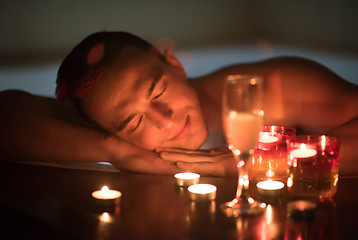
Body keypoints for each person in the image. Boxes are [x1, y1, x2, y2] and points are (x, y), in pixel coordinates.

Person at [0, 31, 357, 177]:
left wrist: (270, 160)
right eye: (134, 123)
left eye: (157, 91)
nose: (165, 119)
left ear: (175, 64)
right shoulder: (111, 132)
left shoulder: (272, 89)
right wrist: (114, 150)